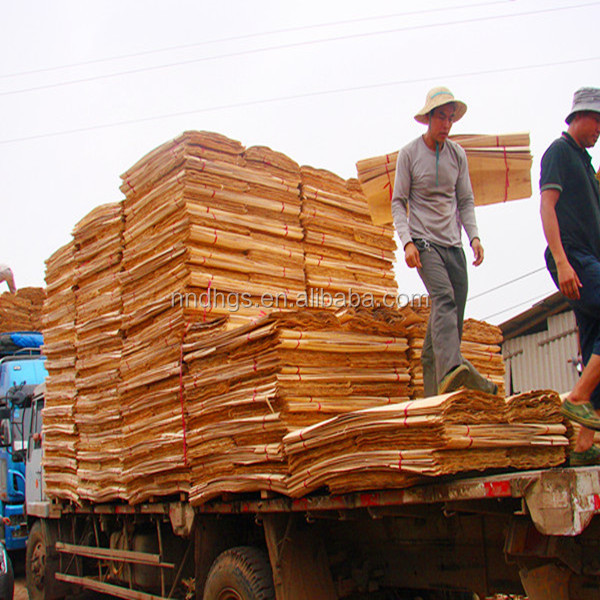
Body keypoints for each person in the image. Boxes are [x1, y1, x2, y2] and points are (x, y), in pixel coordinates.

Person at [392, 86, 496, 397]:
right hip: (424, 242)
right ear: (428, 118)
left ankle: (433, 395)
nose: (446, 125)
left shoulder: (457, 155)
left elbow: (465, 200)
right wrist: (407, 242)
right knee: (444, 299)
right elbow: (398, 202)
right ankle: (453, 372)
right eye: (441, 117)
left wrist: (474, 236)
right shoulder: (409, 154)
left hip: (454, 245)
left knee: (450, 315)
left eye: (451, 119)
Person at [540, 87, 600, 466]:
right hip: (573, 257)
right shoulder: (559, 153)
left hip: (588, 258)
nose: (599, 130)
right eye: (597, 121)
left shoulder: (587, 165)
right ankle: (576, 397)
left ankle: (584, 443)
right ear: (579, 116)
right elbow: (547, 206)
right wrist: (562, 261)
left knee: (596, 345)